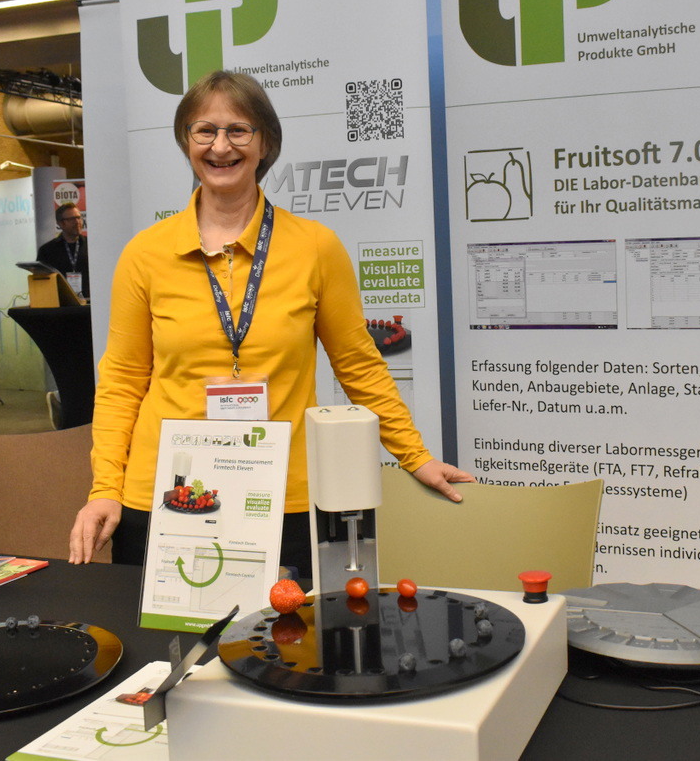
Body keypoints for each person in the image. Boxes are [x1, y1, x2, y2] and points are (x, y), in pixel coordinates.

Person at [68, 70, 473, 568]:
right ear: (185, 141)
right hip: (167, 492)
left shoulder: (315, 248)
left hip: (283, 495)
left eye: (239, 130)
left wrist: (416, 456)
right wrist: (106, 488)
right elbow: (123, 380)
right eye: (204, 130)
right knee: (168, 622)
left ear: (265, 143)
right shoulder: (145, 254)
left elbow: (359, 365)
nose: (221, 146)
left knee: (289, 622)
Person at [37, 202, 89, 299]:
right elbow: (42, 282)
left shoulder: (90, 246)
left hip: (89, 303)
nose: (77, 222)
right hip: (60, 304)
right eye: (72, 219)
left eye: (79, 217)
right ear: (60, 223)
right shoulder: (47, 250)